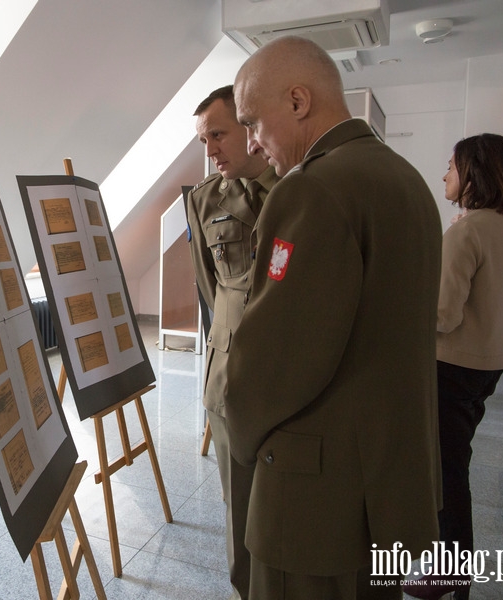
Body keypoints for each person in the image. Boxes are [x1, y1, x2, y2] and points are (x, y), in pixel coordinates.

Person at [227, 36, 443, 599]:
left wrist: (237, 426)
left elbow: (275, 360)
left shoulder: (314, 189)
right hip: (385, 486)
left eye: (253, 122)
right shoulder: (408, 181)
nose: (255, 142)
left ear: (298, 102)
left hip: (315, 500)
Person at [405, 134, 503, 600]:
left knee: (446, 472)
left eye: (451, 167)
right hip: (491, 367)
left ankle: (451, 570)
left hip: (452, 366)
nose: (444, 175)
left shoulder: (466, 231)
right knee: (456, 462)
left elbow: (442, 315)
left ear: (473, 173)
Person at [186, 85, 278, 600]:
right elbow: (211, 288)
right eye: (204, 139)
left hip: (293, 381)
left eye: (218, 134)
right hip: (231, 383)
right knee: (237, 505)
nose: (211, 150)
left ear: (249, 128)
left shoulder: (299, 188)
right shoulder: (206, 201)